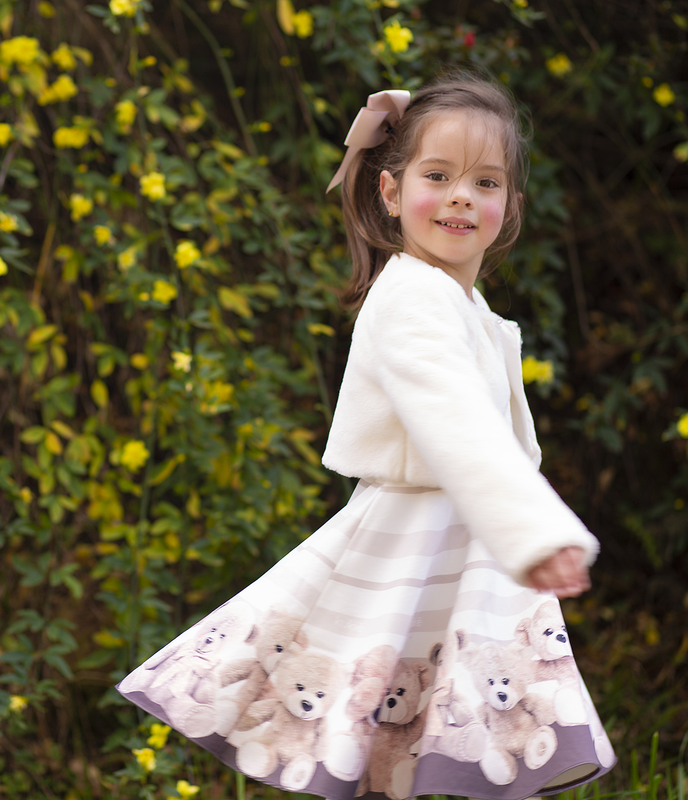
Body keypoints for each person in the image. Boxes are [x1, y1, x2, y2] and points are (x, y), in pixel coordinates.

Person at [118, 72, 616, 800]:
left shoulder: (452, 297)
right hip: (415, 541)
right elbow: (456, 420)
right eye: (437, 176)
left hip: (463, 544)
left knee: (429, 745)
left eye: (485, 182)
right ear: (390, 191)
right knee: (385, 737)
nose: (460, 197)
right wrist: (532, 529)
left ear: (509, 205)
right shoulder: (413, 299)